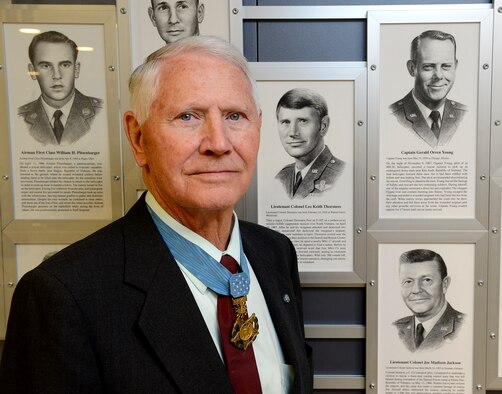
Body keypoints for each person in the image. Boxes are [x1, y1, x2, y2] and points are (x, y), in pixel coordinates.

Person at [0, 36, 313, 393]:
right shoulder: (63, 295)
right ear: (138, 138)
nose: (219, 142)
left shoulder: (275, 254)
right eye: (188, 116)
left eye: (235, 116)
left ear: (257, 128)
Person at [18, 30, 103, 146]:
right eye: (46, 66)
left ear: (76, 69)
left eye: (65, 65)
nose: (57, 75)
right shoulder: (19, 118)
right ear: (32, 71)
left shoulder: (100, 111)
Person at [390, 30, 467, 148]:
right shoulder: (391, 118)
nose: (439, 76)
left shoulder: (466, 115)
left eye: (446, 66)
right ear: (412, 68)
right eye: (428, 67)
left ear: (455, 67)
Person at [275, 88, 345, 199]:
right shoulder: (281, 177)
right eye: (286, 122)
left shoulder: (342, 176)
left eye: (303, 121)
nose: (293, 132)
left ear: (323, 126)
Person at [393, 249, 464, 352]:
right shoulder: (394, 329)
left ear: (444, 284)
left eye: (427, 280)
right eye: (408, 281)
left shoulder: (465, 328)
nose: (416, 290)